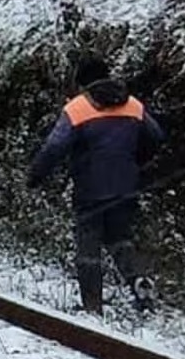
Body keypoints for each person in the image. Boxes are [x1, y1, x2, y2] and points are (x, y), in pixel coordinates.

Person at [28, 55, 166, 314]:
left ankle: (92, 307)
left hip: (90, 189)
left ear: (82, 83)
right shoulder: (133, 104)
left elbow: (54, 147)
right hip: (126, 186)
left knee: (88, 248)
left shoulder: (78, 108)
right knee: (120, 238)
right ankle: (138, 281)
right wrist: (135, 161)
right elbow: (157, 136)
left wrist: (36, 175)